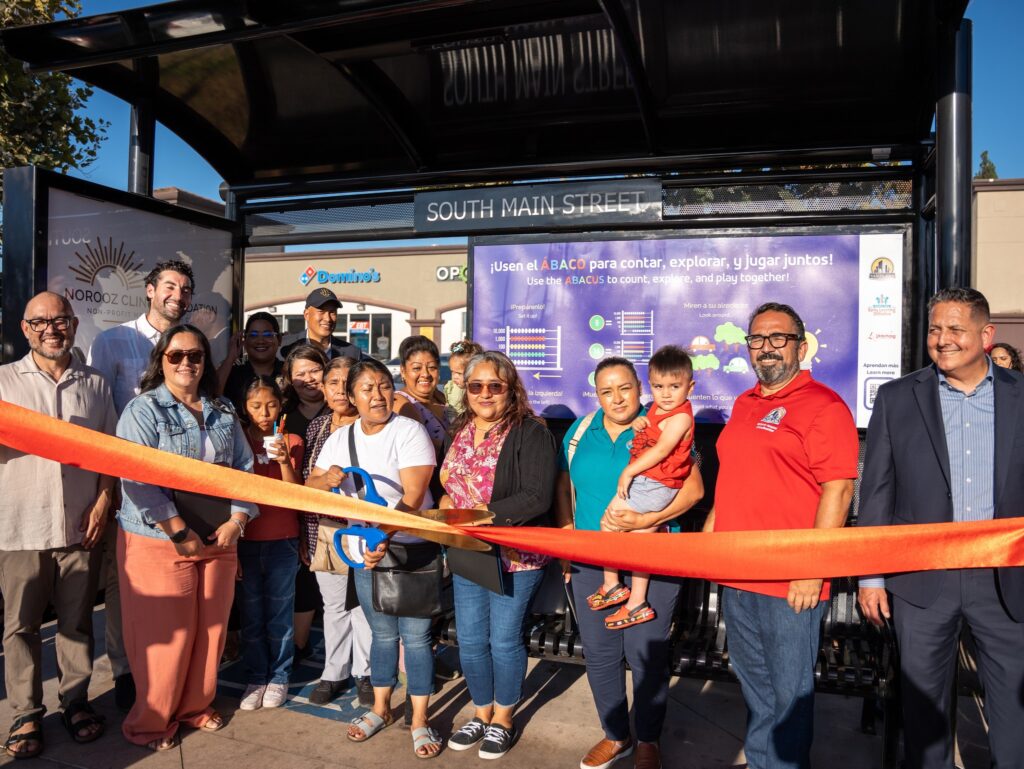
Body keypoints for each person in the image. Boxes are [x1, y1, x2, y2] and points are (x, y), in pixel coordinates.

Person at [858, 287, 1024, 769]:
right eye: (934, 329)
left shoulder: (1019, 396)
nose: (942, 339)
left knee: (1014, 714)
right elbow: (878, 494)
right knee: (924, 715)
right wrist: (871, 577)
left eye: (955, 329)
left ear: (986, 335)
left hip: (1006, 579)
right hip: (921, 582)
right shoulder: (897, 398)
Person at [708, 302, 858, 769]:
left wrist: (811, 569)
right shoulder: (744, 402)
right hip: (737, 574)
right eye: (757, 339)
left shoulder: (825, 406)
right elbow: (733, 478)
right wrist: (708, 540)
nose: (767, 348)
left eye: (779, 338)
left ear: (800, 344)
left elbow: (839, 489)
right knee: (756, 690)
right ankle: (760, 761)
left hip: (790, 582)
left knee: (789, 696)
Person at [555, 357, 704, 769]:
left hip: (650, 559)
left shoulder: (663, 422)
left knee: (646, 654)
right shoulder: (581, 429)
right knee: (600, 654)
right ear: (596, 394)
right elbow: (563, 484)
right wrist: (567, 533)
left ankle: (649, 740)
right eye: (606, 390)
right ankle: (616, 735)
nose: (617, 398)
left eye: (625, 388)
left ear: (640, 388)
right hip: (592, 561)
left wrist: (646, 520)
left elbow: (693, 491)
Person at [115, 324, 257, 751]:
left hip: (220, 541)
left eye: (195, 355)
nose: (186, 363)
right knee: (165, 640)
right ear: (161, 360)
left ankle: (195, 707)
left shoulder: (224, 410)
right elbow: (135, 478)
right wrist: (178, 531)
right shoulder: (143, 410)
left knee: (210, 632)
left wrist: (238, 520)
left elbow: (244, 471)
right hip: (159, 541)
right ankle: (151, 724)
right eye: (175, 355)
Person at [306, 358, 442, 759]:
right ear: (351, 397)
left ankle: (419, 719)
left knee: (415, 637)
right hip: (363, 551)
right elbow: (311, 485)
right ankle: (381, 709)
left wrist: (382, 537)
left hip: (411, 547)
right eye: (367, 389)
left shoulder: (410, 430)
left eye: (384, 386)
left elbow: (414, 496)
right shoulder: (340, 437)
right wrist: (325, 480)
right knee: (382, 634)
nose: (377, 395)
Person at [0, 292, 116, 759]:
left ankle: (75, 701)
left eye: (61, 320)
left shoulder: (96, 384)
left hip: (79, 525)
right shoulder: (3, 383)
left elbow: (109, 450)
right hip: (19, 525)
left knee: (76, 623)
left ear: (73, 324)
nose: (52, 328)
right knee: (20, 627)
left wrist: (106, 498)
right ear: (25, 329)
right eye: (41, 321)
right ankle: (25, 713)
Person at [88, 259, 195, 710]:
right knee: (123, 582)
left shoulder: (192, 345)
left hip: (185, 487)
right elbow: (97, 415)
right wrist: (106, 487)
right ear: (150, 290)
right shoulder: (113, 341)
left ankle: (173, 669)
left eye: (186, 289)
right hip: (129, 485)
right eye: (169, 286)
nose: (178, 294)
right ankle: (126, 669)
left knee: (179, 579)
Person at [439, 351, 557, 759]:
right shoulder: (461, 429)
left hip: (514, 558)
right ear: (465, 390)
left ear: (511, 390)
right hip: (467, 553)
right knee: (471, 641)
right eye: (476, 386)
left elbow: (536, 497)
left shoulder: (532, 432)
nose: (485, 394)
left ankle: (504, 718)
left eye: (495, 386)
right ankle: (480, 711)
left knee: (504, 641)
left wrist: (479, 518)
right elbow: (450, 486)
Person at [591, 345, 695, 631]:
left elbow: (662, 450)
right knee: (638, 541)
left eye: (675, 386)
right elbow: (651, 430)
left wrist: (628, 472)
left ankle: (615, 587)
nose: (666, 393)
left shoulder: (681, 416)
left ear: (690, 386)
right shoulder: (657, 410)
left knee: (610, 523)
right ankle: (634, 601)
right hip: (651, 482)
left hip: (654, 483)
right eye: (660, 386)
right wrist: (641, 422)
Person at [300, 356, 373, 707]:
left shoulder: (374, 426)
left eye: (348, 383)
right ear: (324, 390)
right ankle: (333, 672)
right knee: (333, 607)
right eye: (333, 383)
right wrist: (323, 481)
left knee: (362, 606)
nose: (340, 390)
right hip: (326, 531)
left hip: (365, 532)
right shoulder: (317, 428)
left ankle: (364, 672)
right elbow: (307, 484)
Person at [237, 376, 304, 711]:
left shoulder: (291, 439)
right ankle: (256, 676)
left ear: (282, 405)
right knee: (251, 614)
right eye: (256, 406)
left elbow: (296, 493)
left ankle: (280, 675)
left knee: (279, 614)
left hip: (283, 540)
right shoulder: (237, 439)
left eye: (272, 405)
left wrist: (283, 461)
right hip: (246, 539)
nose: (265, 412)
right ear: (244, 408)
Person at [217, 312, 285, 410]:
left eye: (267, 334)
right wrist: (230, 358)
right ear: (244, 341)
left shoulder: (289, 372)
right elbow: (212, 395)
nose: (260, 340)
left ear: (279, 339)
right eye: (253, 335)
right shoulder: (233, 374)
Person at [279, 288, 363, 362]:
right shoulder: (284, 346)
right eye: (321, 311)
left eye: (332, 312)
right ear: (306, 315)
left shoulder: (352, 353)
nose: (328, 319)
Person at [281, 345, 330, 442]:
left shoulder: (342, 409)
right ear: (290, 379)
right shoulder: (283, 414)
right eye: (300, 374)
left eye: (315, 371)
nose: (309, 379)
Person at [443, 339, 484, 420]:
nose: (454, 377)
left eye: (459, 373)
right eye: (452, 372)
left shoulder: (480, 391)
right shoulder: (451, 387)